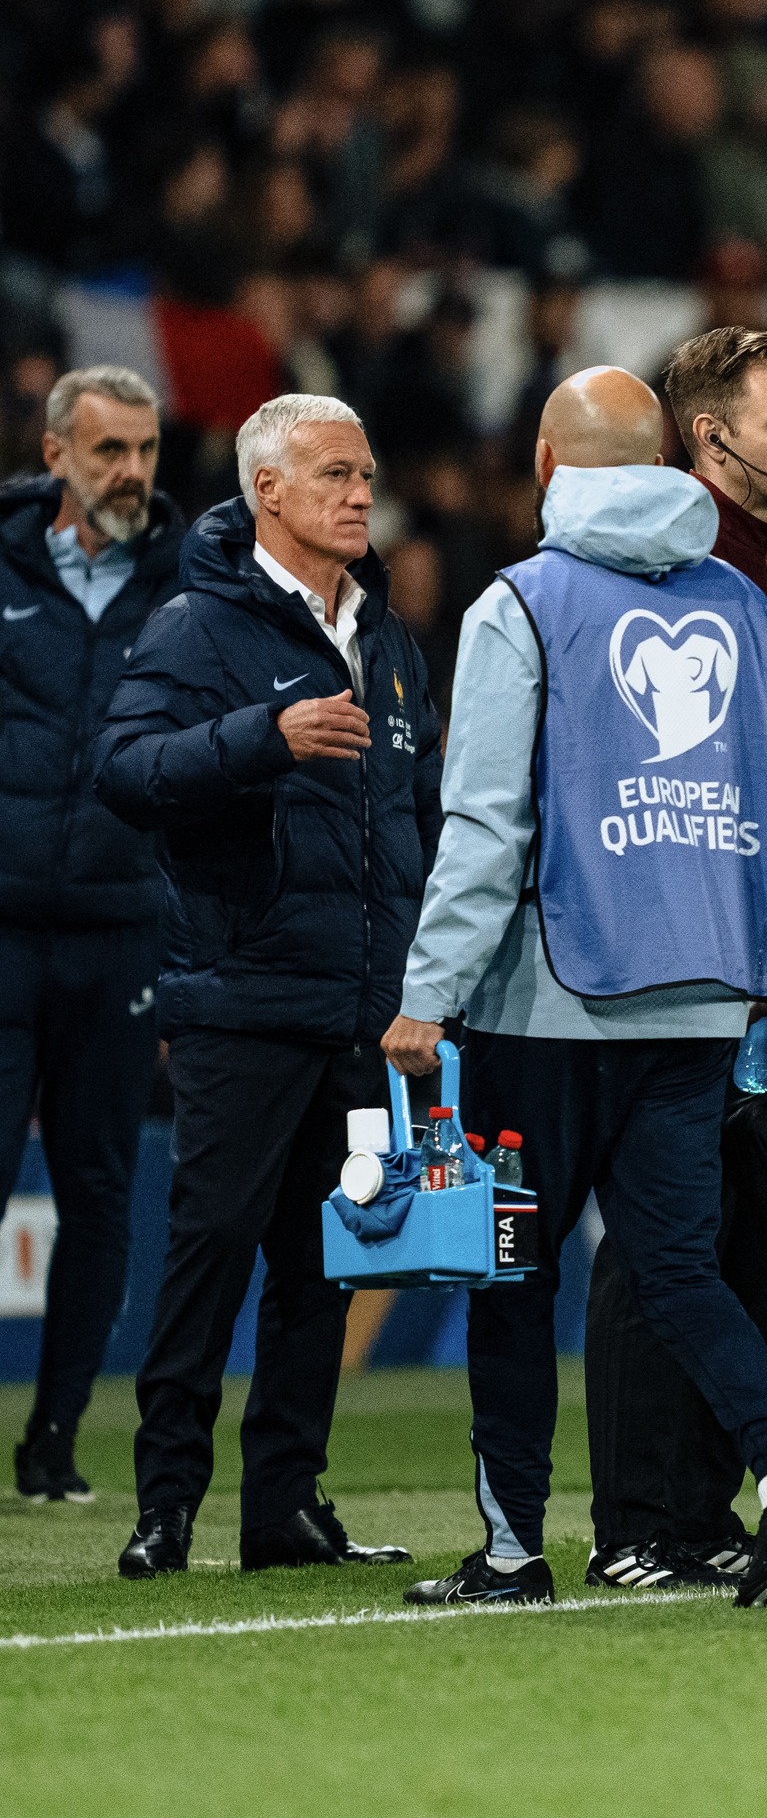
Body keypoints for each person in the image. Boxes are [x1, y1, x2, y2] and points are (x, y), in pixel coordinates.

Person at [381, 364, 767, 1611]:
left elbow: (486, 825)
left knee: (513, 1277)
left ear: (546, 463)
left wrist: (429, 990)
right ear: (668, 463)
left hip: (546, 1006)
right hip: (701, 1003)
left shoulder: (520, 605)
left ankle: (512, 1552)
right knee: (681, 1271)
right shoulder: (745, 607)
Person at [94, 393, 442, 1580]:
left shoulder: (390, 641)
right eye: (334, 472)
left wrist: (422, 979)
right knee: (209, 1256)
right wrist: (262, 737)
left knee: (321, 1268)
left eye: (366, 471)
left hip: (360, 1010)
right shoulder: (197, 626)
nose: (361, 491)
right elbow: (124, 769)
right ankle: (165, 1506)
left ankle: (284, 1506)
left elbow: (420, 820)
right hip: (242, 996)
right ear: (267, 490)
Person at [581, 325, 767, 1592]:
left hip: (744, 962)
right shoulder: (684, 574)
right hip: (681, 961)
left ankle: (692, 1510)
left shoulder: (754, 576)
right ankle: (638, 1519)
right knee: (660, 1241)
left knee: (719, 1238)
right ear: (710, 437)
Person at [0, 367, 180, 1503]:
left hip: (120, 930)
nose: (132, 474)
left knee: (101, 1191)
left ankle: (54, 1440)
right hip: (3, 926)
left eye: (147, 451)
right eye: (111, 451)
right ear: (56, 453)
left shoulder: (186, 583)